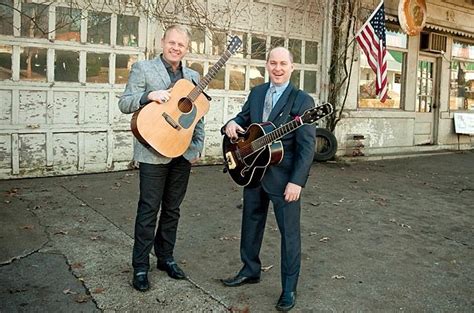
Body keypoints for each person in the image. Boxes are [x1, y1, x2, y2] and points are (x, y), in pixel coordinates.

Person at [221, 47, 316, 311]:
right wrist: (231, 122)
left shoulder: (302, 101)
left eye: (283, 64)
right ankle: (250, 269)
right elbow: (244, 119)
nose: (277, 68)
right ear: (267, 65)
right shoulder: (257, 92)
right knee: (250, 223)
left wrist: (297, 181)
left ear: (292, 67)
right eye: (273, 63)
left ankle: (289, 288)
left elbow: (307, 148)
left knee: (289, 234)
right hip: (252, 171)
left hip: (284, 179)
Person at [118, 25, 204, 292]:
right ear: (163, 42)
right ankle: (141, 266)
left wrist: (195, 149)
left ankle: (165, 257)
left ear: (187, 48)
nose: (176, 48)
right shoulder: (143, 69)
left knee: (173, 210)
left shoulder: (193, 76)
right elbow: (125, 103)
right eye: (172, 42)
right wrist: (148, 96)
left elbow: (197, 116)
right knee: (148, 210)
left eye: (181, 45)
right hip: (152, 151)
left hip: (182, 152)